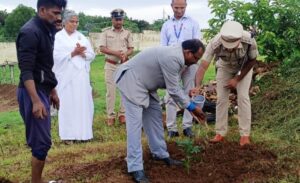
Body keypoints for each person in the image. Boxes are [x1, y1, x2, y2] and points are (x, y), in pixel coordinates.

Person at [115, 39, 206, 182]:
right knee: (135, 126)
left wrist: (187, 100)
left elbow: (175, 86)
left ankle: (160, 154)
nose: (195, 62)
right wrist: (192, 108)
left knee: (155, 119)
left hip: (146, 86)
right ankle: (135, 167)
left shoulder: (180, 56)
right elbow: (174, 90)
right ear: (187, 52)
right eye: (195, 58)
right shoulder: (173, 57)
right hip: (131, 81)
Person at [16, 0, 66, 182]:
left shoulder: (47, 30)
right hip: (32, 93)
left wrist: (52, 90)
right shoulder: (30, 32)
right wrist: (36, 101)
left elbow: (46, 65)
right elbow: (26, 70)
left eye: (60, 13)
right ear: (42, 10)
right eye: (55, 13)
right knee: (41, 143)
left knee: (42, 142)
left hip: (42, 90)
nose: (59, 17)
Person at [194, 20, 258, 146]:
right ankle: (220, 133)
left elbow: (252, 61)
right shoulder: (215, 42)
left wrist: (237, 79)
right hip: (224, 67)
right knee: (221, 99)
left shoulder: (249, 40)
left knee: (243, 97)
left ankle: (245, 135)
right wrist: (197, 86)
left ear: (239, 38)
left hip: (244, 68)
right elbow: (203, 67)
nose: (229, 48)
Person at [53, 10, 95, 142]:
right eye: (72, 21)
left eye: (77, 22)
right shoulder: (58, 37)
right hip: (66, 76)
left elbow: (92, 54)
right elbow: (56, 56)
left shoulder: (82, 37)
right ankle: (68, 136)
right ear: (65, 22)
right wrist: (73, 53)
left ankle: (84, 134)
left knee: (82, 104)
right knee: (68, 104)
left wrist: (83, 54)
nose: (75, 24)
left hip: (81, 76)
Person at [160, 0, 200, 138]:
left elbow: (197, 44)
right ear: (171, 7)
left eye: (182, 8)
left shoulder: (193, 23)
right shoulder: (166, 25)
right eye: (176, 7)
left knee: (190, 92)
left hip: (189, 63)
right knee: (171, 94)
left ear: (186, 7)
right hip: (172, 64)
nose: (179, 10)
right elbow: (163, 47)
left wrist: (192, 61)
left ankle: (187, 126)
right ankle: (171, 128)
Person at [99, 8, 134, 126]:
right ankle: (110, 116)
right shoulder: (106, 32)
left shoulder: (127, 33)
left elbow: (131, 49)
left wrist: (125, 54)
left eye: (120, 19)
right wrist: (116, 53)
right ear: (112, 19)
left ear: (123, 20)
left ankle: (122, 114)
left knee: (125, 90)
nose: (119, 22)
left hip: (123, 65)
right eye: (116, 19)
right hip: (110, 65)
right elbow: (102, 48)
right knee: (111, 91)